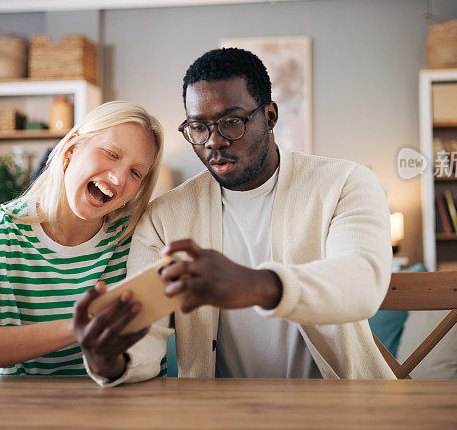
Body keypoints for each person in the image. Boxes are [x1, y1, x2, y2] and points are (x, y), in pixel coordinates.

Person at [75, 48, 395, 385]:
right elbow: (145, 342)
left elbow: (364, 282)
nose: (214, 141)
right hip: (217, 415)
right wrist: (108, 361)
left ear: (270, 116)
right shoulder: (163, 219)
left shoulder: (344, 183)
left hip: (345, 411)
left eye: (231, 121)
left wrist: (254, 285)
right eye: (198, 126)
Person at [0, 101, 163, 375]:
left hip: (107, 411)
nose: (118, 178)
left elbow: (147, 355)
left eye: (136, 172)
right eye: (111, 153)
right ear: (72, 148)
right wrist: (77, 327)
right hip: (15, 411)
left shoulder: (135, 240)